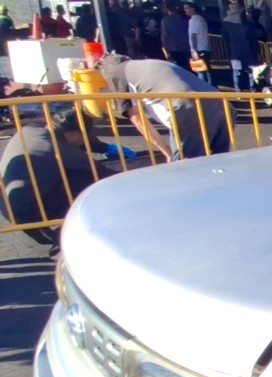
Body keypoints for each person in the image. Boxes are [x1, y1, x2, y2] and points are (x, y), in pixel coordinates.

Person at [1, 108, 113, 247]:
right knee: (94, 186)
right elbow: (103, 175)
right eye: (84, 136)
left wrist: (105, 148)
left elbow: (78, 141)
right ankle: (65, 238)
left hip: (8, 206)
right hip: (26, 214)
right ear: (74, 135)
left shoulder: (30, 130)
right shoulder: (64, 153)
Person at [96, 54, 231, 161]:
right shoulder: (150, 64)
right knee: (219, 162)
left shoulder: (117, 74)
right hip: (222, 103)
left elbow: (137, 118)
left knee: (187, 168)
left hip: (187, 108)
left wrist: (167, 152)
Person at [222, 0, 255, 91]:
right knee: (250, 70)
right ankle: (252, 89)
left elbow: (225, 37)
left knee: (237, 71)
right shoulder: (245, 22)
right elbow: (251, 36)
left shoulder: (226, 23)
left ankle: (238, 90)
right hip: (247, 49)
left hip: (234, 50)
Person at [183, 1, 209, 83]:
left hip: (198, 49)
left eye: (187, 8)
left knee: (201, 71)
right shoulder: (201, 19)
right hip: (205, 48)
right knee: (206, 70)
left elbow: (193, 35)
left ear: (193, 9)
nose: (185, 10)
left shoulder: (193, 20)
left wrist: (194, 50)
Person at [159, 2, 188, 66]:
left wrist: (164, 48)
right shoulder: (185, 19)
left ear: (167, 9)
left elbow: (164, 35)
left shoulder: (166, 20)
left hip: (173, 48)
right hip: (186, 47)